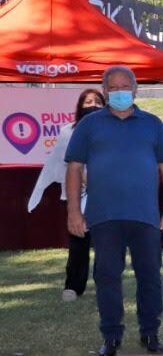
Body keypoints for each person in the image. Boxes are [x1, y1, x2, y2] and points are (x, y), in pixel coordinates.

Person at [65, 66, 163, 356]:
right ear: (104, 92)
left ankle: (150, 332)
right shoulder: (89, 126)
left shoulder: (152, 124)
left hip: (145, 217)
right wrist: (74, 212)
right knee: (106, 277)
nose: (119, 93)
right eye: (112, 88)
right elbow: (74, 167)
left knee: (150, 275)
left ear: (136, 90)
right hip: (104, 217)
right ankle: (111, 336)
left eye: (124, 87)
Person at [28, 88, 104, 301]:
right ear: (80, 106)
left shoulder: (112, 131)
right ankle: (73, 286)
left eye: (98, 102)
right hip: (77, 195)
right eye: (88, 102)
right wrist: (81, 179)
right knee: (78, 241)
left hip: (105, 195)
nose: (93, 105)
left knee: (104, 242)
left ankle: (104, 284)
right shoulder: (67, 131)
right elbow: (63, 164)